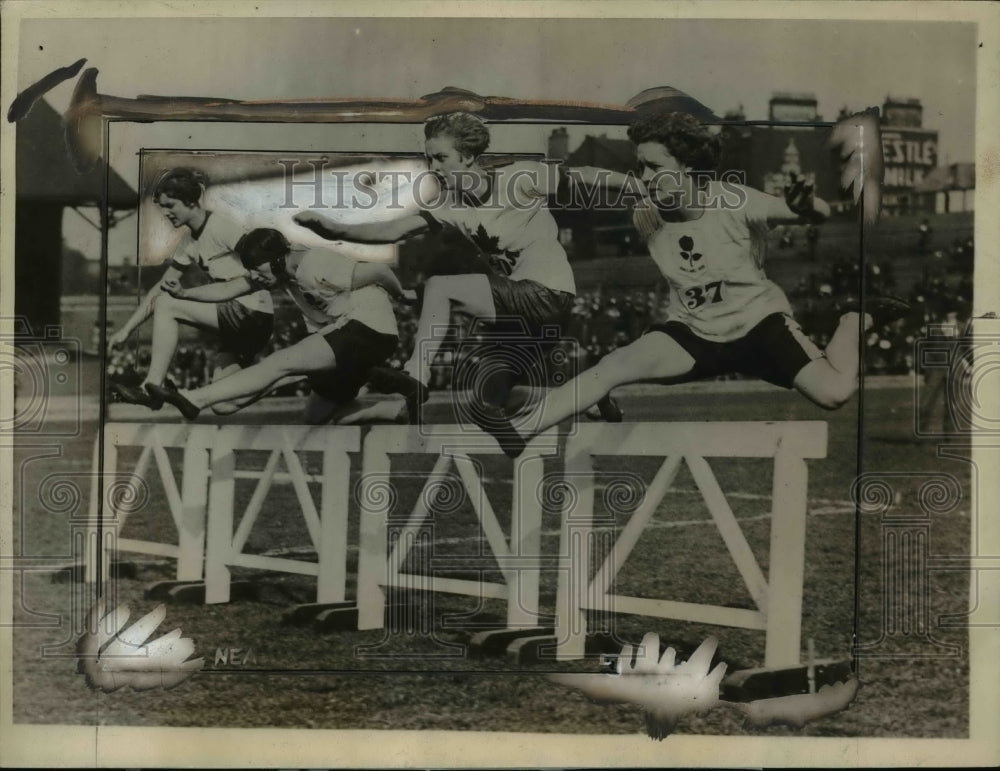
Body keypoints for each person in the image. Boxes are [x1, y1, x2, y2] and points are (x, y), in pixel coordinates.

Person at [474, 112, 910, 458]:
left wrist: (806, 204)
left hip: (759, 327)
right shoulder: (646, 207)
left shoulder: (733, 200)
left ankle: (854, 319)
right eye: (639, 165)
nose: (643, 176)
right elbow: (585, 177)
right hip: (694, 333)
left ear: (688, 167)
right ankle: (518, 431)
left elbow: (812, 213)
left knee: (835, 393)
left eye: (654, 166)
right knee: (613, 365)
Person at [294, 111, 624, 425]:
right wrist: (334, 229)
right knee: (487, 401)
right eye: (429, 159)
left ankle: (415, 375)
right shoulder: (450, 206)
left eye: (441, 158)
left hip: (548, 293)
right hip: (521, 314)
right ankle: (588, 398)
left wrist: (644, 187)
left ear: (467, 156)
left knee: (440, 287)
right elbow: (390, 231)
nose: (433, 167)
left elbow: (586, 175)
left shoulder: (518, 178)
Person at [149, 228, 404, 423]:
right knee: (315, 419)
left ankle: (195, 398)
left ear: (277, 259)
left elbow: (380, 271)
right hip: (347, 341)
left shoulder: (314, 264)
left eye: (257, 269)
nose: (256, 277)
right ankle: (395, 410)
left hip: (368, 330)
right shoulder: (280, 272)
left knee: (281, 361)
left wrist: (402, 295)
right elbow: (229, 288)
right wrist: (185, 294)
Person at [107, 168, 274, 414]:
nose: (166, 213)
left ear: (192, 202)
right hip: (240, 324)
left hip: (252, 312)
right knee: (223, 403)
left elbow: (265, 259)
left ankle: (151, 386)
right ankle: (283, 377)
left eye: (171, 205)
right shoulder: (188, 242)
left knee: (167, 304)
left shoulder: (222, 226)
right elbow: (159, 287)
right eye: (163, 207)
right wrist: (126, 329)